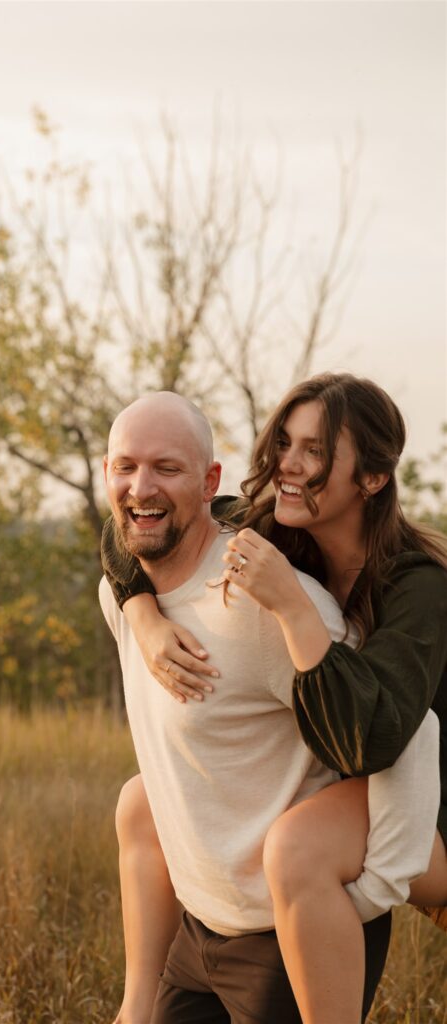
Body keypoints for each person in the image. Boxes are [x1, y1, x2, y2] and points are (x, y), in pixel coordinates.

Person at [102, 373, 447, 1024]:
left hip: (430, 802)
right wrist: (142, 616)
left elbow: (374, 740)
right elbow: (139, 525)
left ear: (371, 479)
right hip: (369, 780)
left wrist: (291, 608)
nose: (287, 465)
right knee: (141, 800)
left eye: (314, 452)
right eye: (284, 442)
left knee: (297, 846)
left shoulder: (417, 586)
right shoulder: (273, 529)